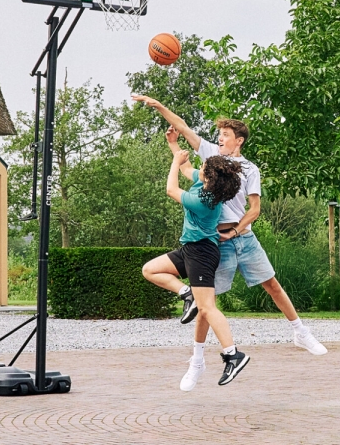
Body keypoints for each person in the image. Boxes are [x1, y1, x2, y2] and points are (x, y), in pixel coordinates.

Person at [133, 94, 327, 392]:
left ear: (239, 141)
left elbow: (255, 210)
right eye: (219, 135)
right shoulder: (210, 159)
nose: (220, 139)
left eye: (225, 135)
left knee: (271, 284)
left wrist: (235, 232)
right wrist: (160, 108)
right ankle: (197, 361)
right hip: (214, 242)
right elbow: (183, 128)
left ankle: (300, 332)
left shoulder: (250, 169)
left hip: (241, 237)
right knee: (206, 306)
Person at [142, 148, 251, 389]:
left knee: (208, 309)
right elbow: (185, 168)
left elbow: (170, 189)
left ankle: (233, 354)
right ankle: (186, 293)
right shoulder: (204, 183)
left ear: (210, 179)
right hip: (190, 249)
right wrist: (173, 145)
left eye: (204, 168)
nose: (199, 168)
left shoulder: (204, 200)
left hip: (202, 253)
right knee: (150, 270)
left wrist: (173, 161)